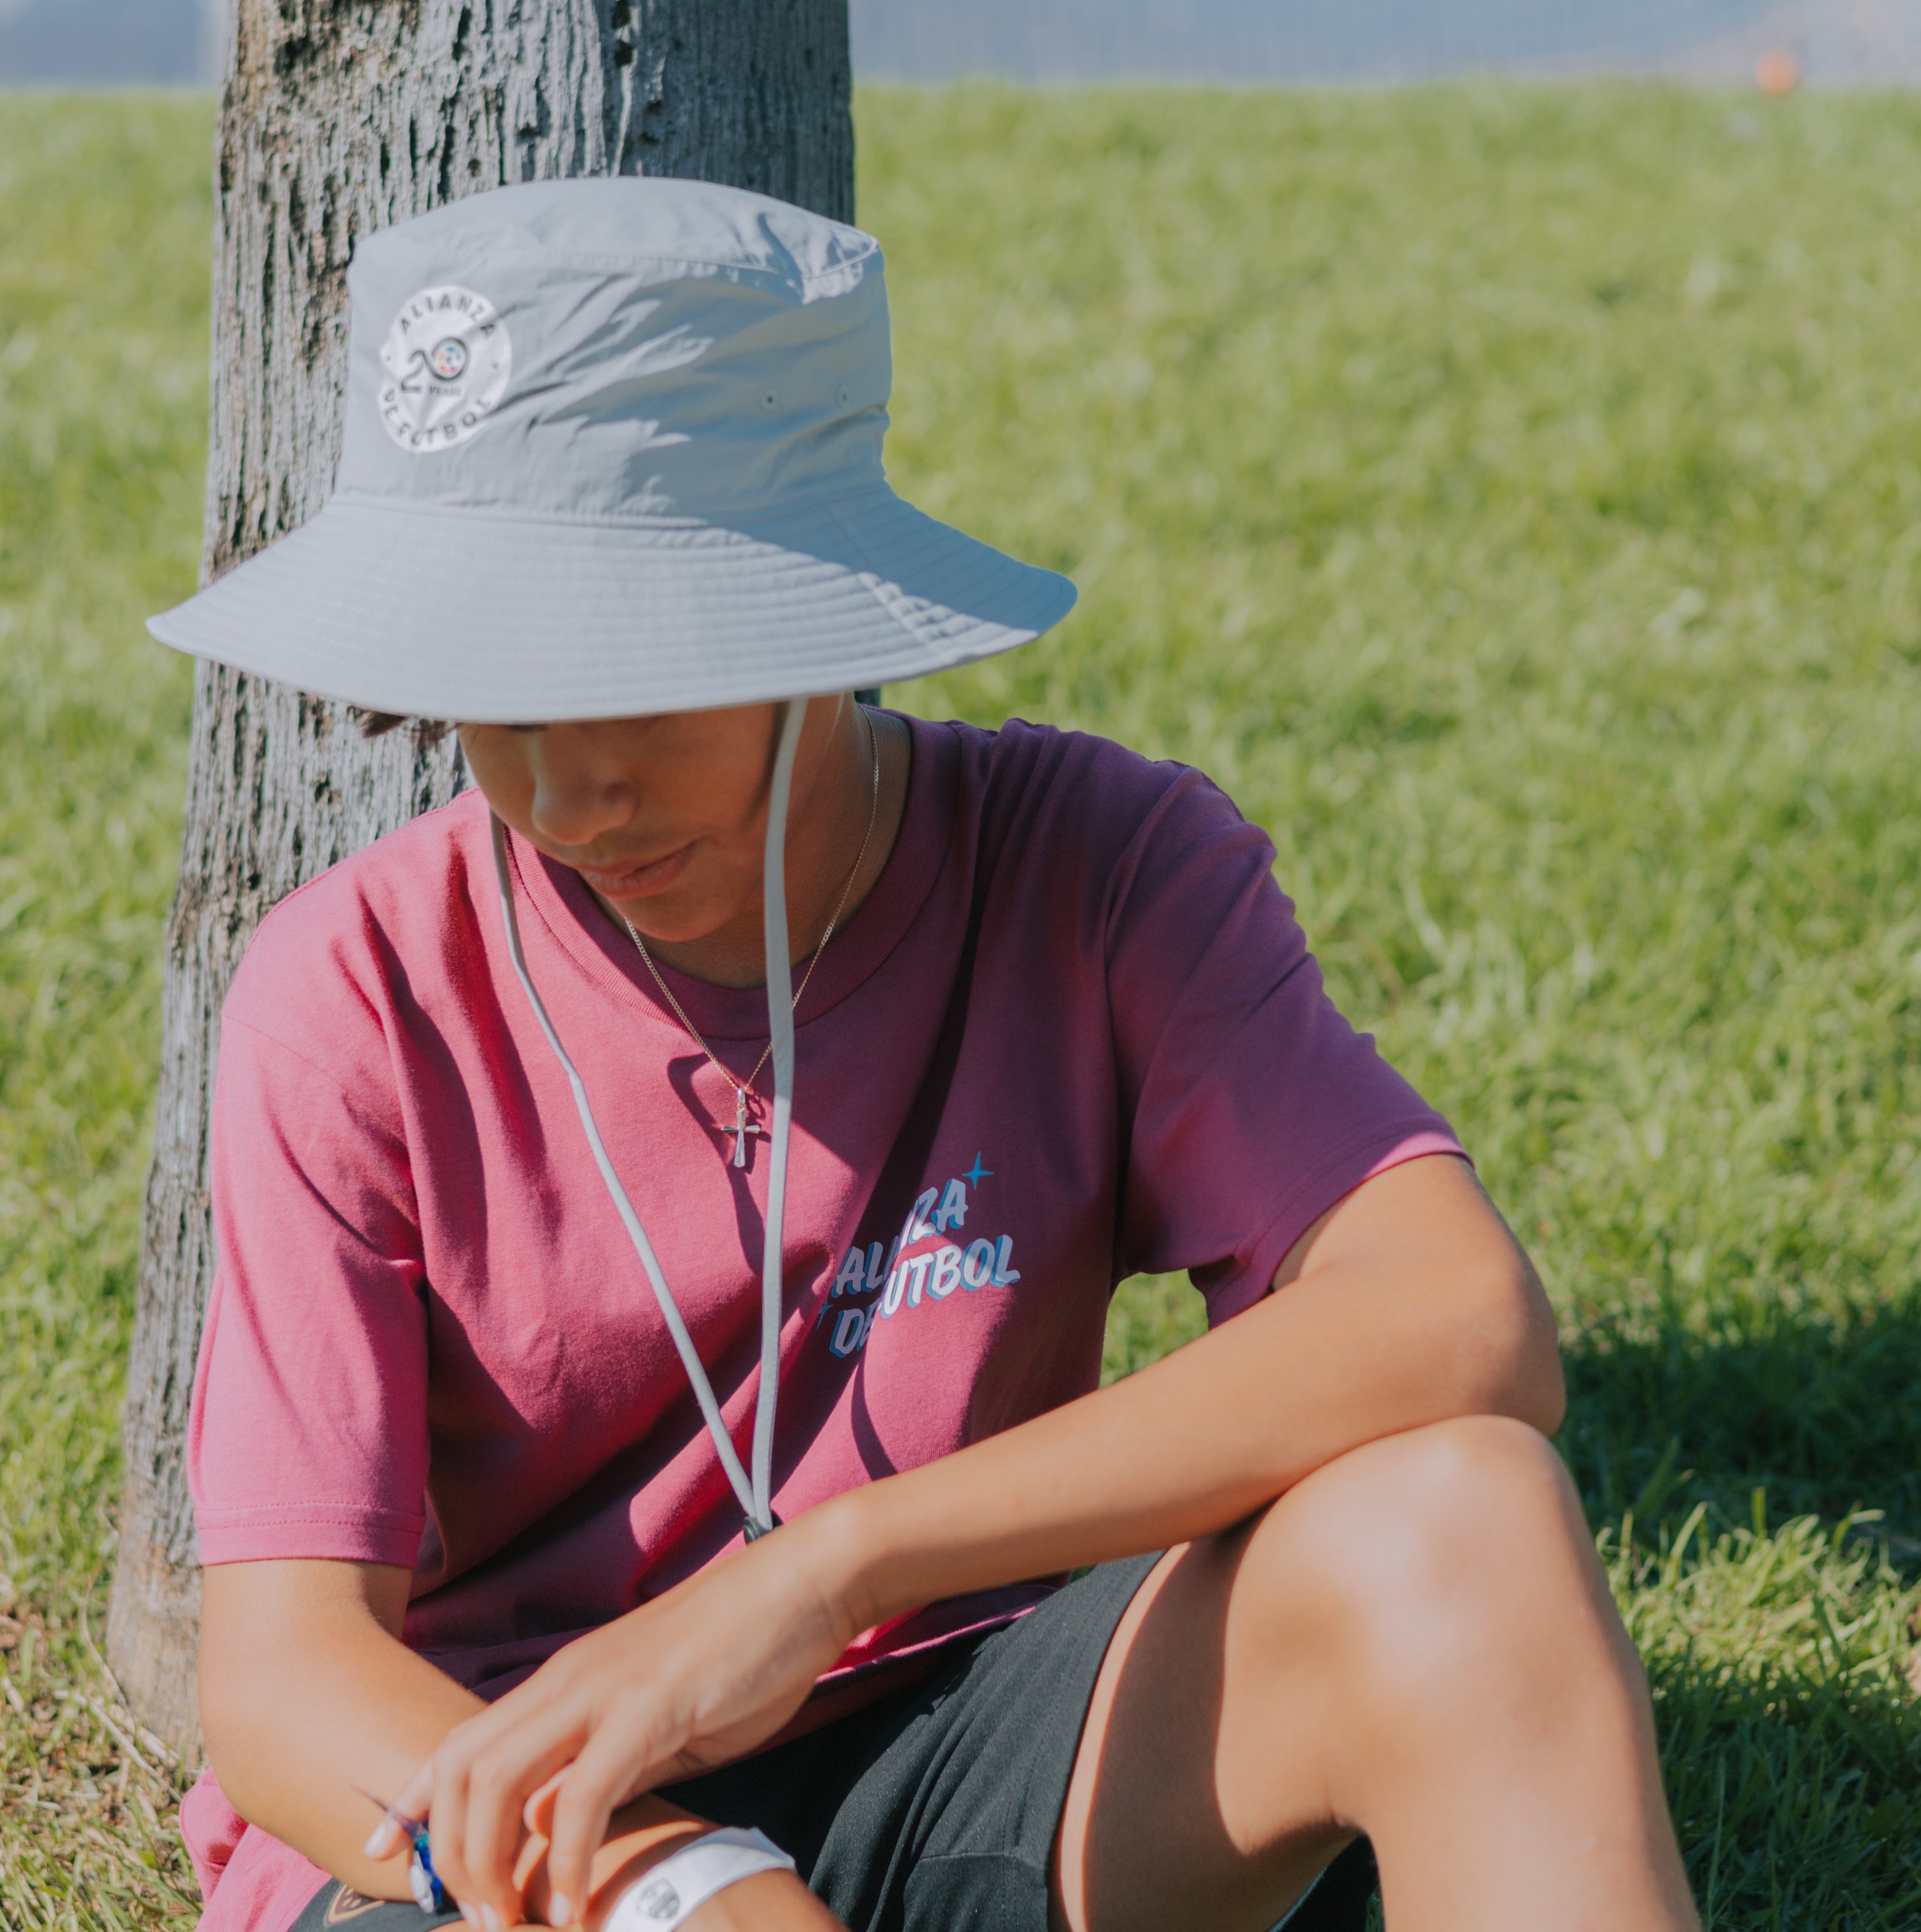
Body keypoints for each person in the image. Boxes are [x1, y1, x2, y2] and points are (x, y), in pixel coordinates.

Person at [146, 178, 1700, 1932]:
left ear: (816, 618)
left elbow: (1457, 1320)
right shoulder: (349, 987)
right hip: (513, 1835)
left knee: (1465, 1522)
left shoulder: (1097, 868)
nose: (567, 798)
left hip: (976, 1733)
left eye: (632, 683)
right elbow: (282, 1680)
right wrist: (686, 1884)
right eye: (494, 708)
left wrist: (826, 1575)